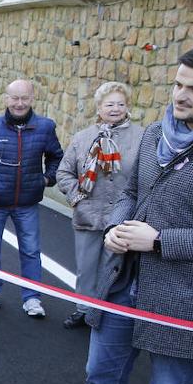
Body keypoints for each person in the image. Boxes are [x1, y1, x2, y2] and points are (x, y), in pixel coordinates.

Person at [30, 43, 193, 384]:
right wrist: (116, 226)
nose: (181, 95)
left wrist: (160, 240)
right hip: (122, 286)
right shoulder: (155, 134)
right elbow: (131, 192)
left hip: (182, 297)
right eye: (178, 84)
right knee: (100, 376)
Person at [0, 79, 64, 317]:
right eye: (15, 98)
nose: (19, 104)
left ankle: (32, 297)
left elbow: (57, 158)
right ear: (6, 99)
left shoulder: (45, 127)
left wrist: (47, 180)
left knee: (31, 251)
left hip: (27, 203)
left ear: (32, 99)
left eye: (24, 98)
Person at [55, 82, 143, 329]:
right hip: (88, 214)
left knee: (112, 269)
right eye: (110, 104)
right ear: (99, 107)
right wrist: (78, 198)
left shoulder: (142, 137)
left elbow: (147, 175)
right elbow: (64, 173)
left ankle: (104, 313)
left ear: (128, 107)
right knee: (86, 268)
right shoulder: (83, 138)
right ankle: (82, 309)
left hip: (122, 217)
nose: (115, 109)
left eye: (120, 104)